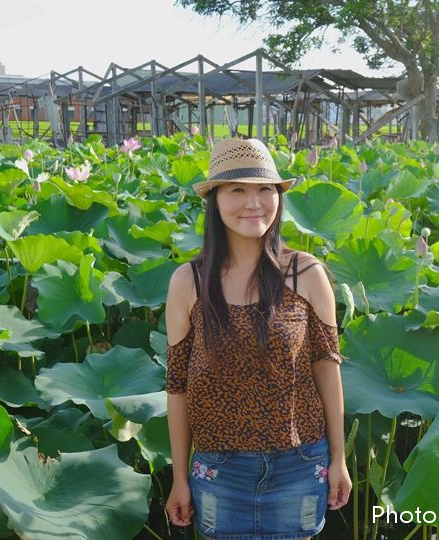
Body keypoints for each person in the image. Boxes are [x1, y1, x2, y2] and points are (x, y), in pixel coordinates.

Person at [164, 138, 352, 539]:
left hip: (300, 464)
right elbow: (177, 387)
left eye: (265, 189)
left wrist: (339, 459)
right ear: (214, 200)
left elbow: (327, 367)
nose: (254, 203)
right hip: (218, 470)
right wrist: (179, 478)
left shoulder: (306, 273)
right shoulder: (189, 282)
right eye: (238, 190)